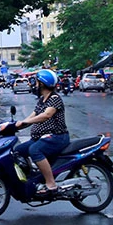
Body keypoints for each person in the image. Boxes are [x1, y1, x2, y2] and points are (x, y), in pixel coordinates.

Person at [14, 68, 70, 196]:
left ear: (42, 83)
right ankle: (33, 178)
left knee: (35, 150)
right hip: (41, 137)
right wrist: (19, 124)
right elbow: (33, 115)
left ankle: (51, 183)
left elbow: (46, 115)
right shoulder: (42, 100)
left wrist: (26, 122)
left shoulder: (54, 98)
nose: (35, 84)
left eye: (37, 82)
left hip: (57, 137)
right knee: (18, 151)